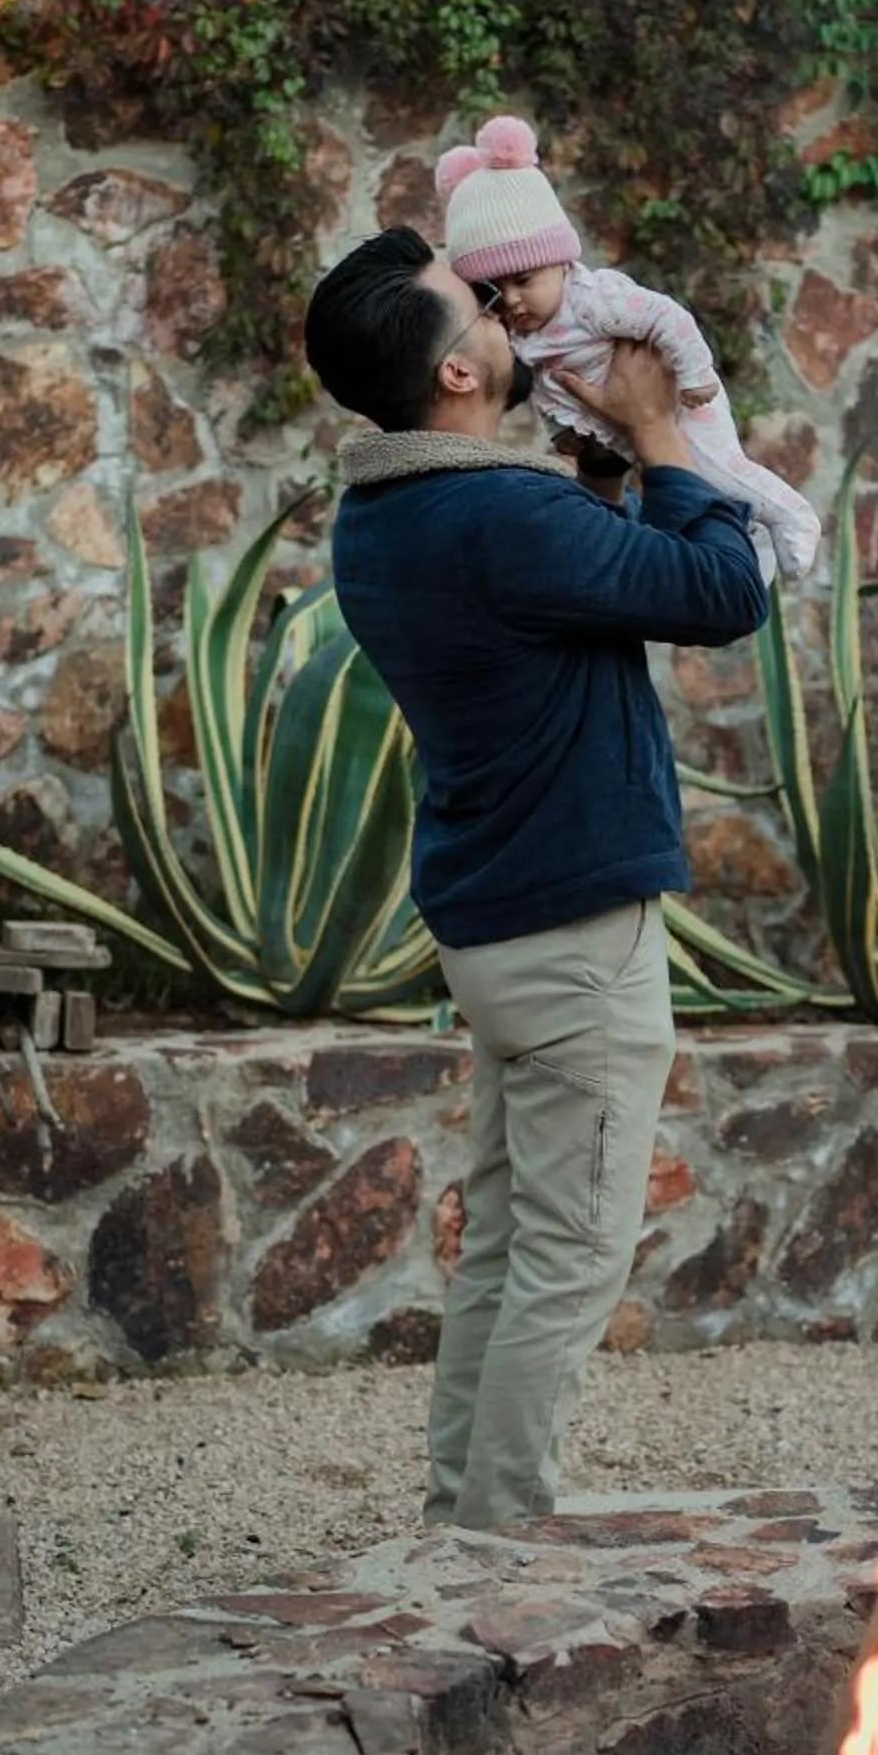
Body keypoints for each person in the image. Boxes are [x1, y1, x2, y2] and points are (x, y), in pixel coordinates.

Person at [304, 224, 769, 1530]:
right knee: (567, 1270)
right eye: (483, 311)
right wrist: (661, 429)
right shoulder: (500, 514)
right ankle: (498, 1560)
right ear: (458, 377)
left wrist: (593, 476)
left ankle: (460, 1531)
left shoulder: (387, 512)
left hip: (497, 927)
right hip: (574, 936)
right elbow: (723, 589)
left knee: (510, 1258)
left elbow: (568, 588)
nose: (512, 316)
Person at [435, 115, 822, 586]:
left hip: (679, 399)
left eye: (524, 280)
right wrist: (564, 436)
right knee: (706, 487)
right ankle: (753, 535)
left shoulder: (595, 302)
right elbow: (550, 393)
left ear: (561, 262)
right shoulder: (525, 333)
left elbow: (668, 317)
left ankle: (795, 515)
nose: (513, 299)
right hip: (624, 425)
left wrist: (696, 372)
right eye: (495, 289)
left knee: (719, 471)